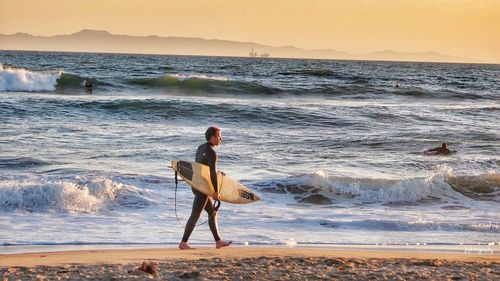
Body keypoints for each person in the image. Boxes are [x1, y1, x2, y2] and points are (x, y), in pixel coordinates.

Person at [179, 126, 232, 250]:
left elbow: (202, 169)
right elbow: (211, 173)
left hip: (197, 185)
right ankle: (183, 242)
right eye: (219, 136)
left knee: (212, 212)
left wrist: (219, 174)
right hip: (204, 189)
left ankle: (218, 241)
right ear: (212, 137)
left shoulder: (200, 148)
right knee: (195, 215)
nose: (221, 139)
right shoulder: (212, 153)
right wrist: (216, 191)